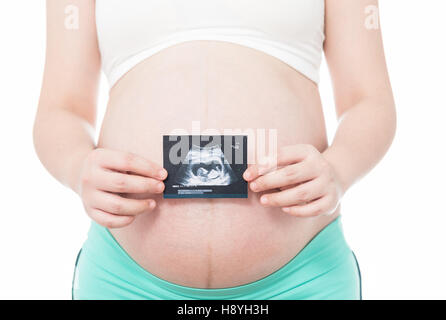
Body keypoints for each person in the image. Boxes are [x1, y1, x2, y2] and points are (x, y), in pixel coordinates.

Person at [33, 0, 396, 300]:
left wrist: (339, 169)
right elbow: (61, 109)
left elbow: (370, 100)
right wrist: (77, 166)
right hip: (126, 281)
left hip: (301, 279)